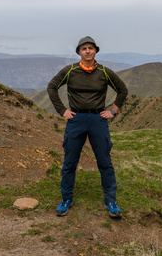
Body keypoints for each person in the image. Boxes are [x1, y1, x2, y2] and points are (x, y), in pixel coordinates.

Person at [47, 36, 128, 218]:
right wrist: (62, 110)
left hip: (98, 119)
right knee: (70, 162)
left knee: (105, 162)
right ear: (79, 52)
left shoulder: (105, 72)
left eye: (91, 48)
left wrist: (113, 110)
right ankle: (66, 199)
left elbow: (122, 89)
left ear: (96, 51)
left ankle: (111, 201)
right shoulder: (70, 71)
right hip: (76, 119)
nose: (88, 51)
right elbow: (52, 87)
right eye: (84, 48)